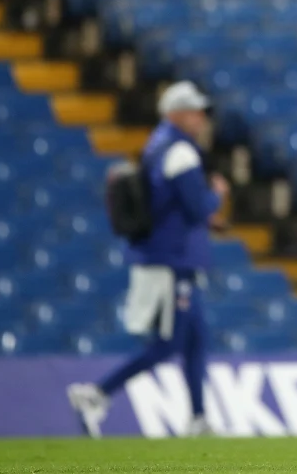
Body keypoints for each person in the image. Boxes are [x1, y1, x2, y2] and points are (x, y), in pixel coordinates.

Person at [67, 80, 229, 437]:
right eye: (195, 111)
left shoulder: (158, 145)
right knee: (167, 345)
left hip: (173, 259)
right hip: (171, 263)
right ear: (176, 114)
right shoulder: (180, 152)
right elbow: (195, 206)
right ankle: (96, 393)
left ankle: (199, 418)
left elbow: (171, 206)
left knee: (196, 341)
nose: (201, 118)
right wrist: (216, 196)